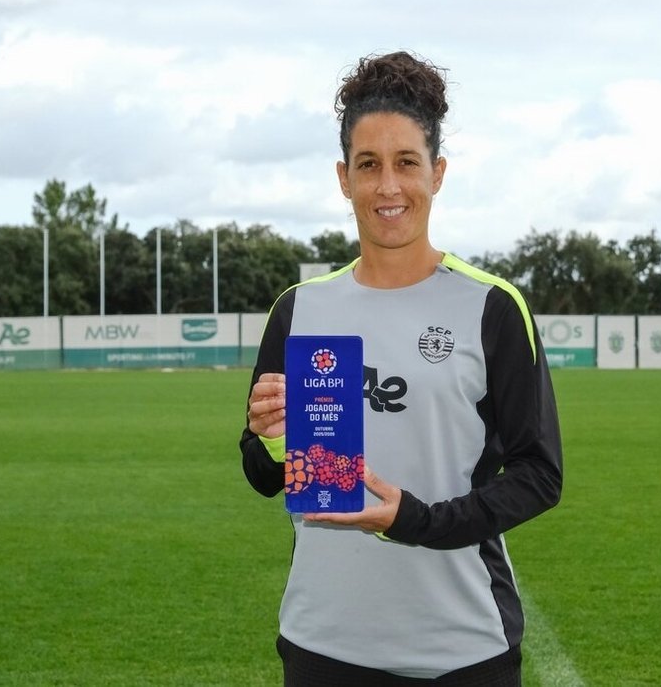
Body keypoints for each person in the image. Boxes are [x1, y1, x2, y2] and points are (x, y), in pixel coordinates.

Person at [240, 50, 563, 686]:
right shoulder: (301, 309)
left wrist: (417, 521)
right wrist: (272, 438)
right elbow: (263, 474)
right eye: (369, 164)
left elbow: (538, 475)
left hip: (461, 648)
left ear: (437, 173)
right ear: (344, 178)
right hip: (321, 642)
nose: (388, 186)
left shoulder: (491, 307)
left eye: (407, 162)